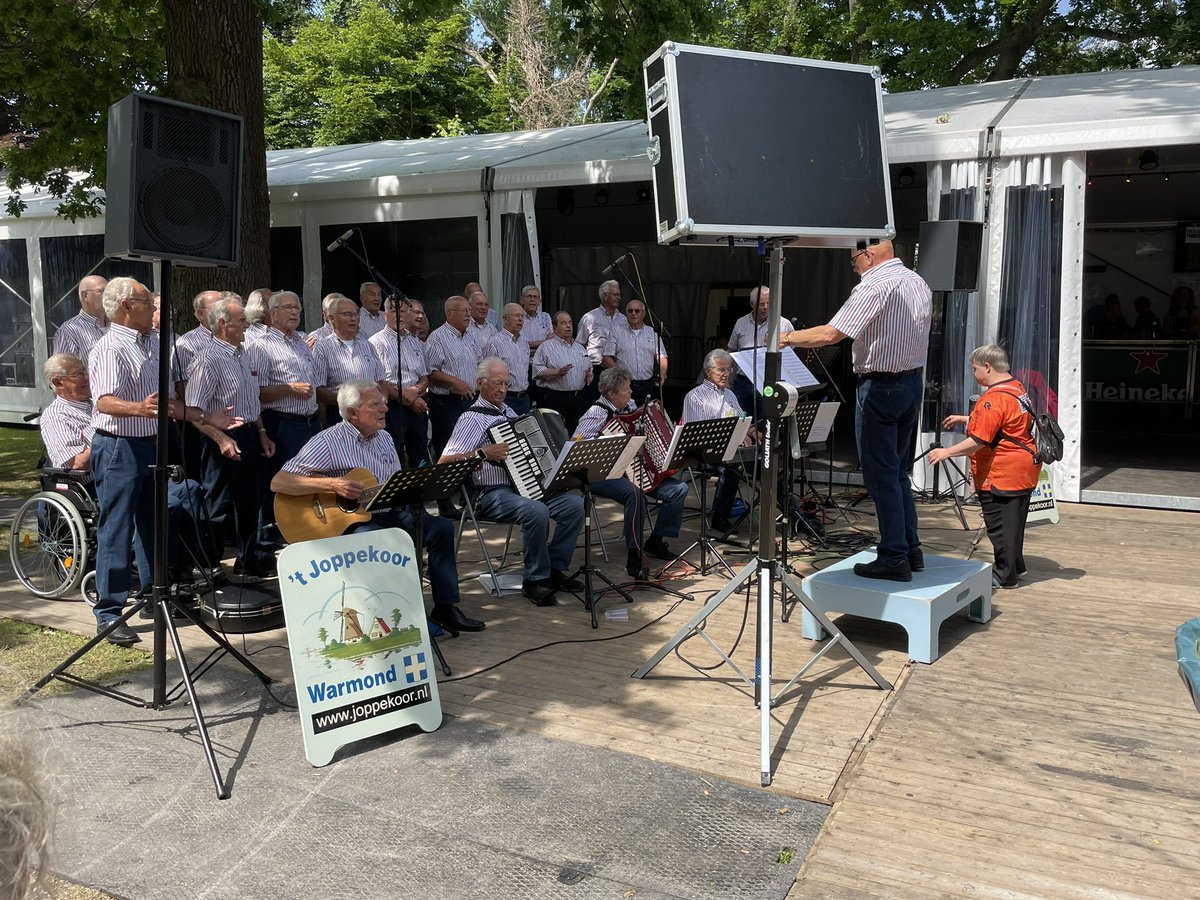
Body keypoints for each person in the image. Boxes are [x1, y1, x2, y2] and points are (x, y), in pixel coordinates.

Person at [89, 277, 240, 644]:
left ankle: (152, 597)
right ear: (126, 305)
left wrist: (203, 417)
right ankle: (109, 612)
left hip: (152, 444)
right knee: (117, 526)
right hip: (118, 446)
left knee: (153, 523)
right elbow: (104, 401)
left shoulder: (157, 344)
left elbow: (169, 404)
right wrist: (137, 408)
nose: (154, 309)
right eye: (147, 302)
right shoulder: (109, 348)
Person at [272, 380, 485, 635]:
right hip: (349, 526)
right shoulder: (328, 441)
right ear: (352, 413)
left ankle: (445, 608)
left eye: (384, 403)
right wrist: (332, 485)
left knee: (440, 529)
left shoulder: (384, 437)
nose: (385, 409)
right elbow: (280, 481)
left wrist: (419, 484)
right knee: (381, 541)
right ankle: (403, 618)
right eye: (375, 405)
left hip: (384, 514)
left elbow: (390, 486)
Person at [783, 239, 932, 581]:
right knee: (896, 473)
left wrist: (787, 339)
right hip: (911, 384)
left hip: (881, 386)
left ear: (867, 255)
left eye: (853, 262)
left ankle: (894, 556)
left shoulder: (875, 285)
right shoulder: (917, 281)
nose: (855, 268)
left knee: (881, 476)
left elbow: (832, 334)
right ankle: (910, 549)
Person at [42, 352, 209, 603]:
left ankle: (181, 568)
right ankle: (152, 582)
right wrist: (101, 437)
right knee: (166, 504)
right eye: (78, 374)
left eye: (85, 371)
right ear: (58, 382)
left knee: (190, 489)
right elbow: (74, 462)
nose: (87, 377)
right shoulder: (56, 415)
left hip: (132, 468)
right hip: (94, 484)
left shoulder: (93, 404)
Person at [440, 358, 584, 607]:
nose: (503, 389)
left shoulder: (509, 412)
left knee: (575, 506)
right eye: (498, 383)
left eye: (507, 384)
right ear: (480, 383)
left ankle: (555, 569)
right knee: (535, 511)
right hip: (491, 493)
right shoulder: (471, 419)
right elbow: (444, 462)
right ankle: (534, 579)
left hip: (526, 486)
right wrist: (482, 454)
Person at [928, 345, 1041, 589]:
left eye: (975, 368)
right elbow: (1006, 422)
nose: (973, 373)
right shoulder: (1016, 388)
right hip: (1024, 466)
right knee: (1015, 521)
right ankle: (1016, 566)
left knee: (999, 525)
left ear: (988, 367)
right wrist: (967, 418)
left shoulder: (993, 398)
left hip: (1004, 471)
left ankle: (1004, 575)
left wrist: (946, 451)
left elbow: (979, 441)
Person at [186, 296, 277, 579]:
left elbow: (252, 400)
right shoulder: (207, 360)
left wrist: (261, 432)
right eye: (241, 321)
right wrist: (221, 439)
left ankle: (247, 562)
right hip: (221, 439)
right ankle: (210, 568)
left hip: (249, 434)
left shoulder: (243, 353)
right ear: (223, 323)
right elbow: (193, 412)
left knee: (250, 503)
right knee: (219, 505)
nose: (247, 326)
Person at [576, 366, 689, 577]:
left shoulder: (629, 406)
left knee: (679, 489)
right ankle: (633, 554)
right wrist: (606, 445)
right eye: (626, 389)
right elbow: (577, 446)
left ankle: (655, 541)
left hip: (638, 470)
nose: (630, 393)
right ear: (611, 394)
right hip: (603, 474)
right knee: (635, 495)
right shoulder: (595, 414)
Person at [682, 349, 749, 535]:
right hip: (705, 452)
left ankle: (790, 511)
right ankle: (719, 516)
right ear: (708, 371)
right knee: (731, 469)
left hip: (732, 450)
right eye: (721, 370)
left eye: (729, 370)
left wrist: (750, 431)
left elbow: (741, 418)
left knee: (770, 460)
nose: (726, 374)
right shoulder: (696, 396)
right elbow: (694, 435)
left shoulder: (729, 394)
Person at [370, 296, 430, 466]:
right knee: (394, 454)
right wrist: (407, 399)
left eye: (403, 311)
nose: (399, 315)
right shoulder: (376, 343)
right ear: (385, 314)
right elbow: (381, 381)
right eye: (393, 311)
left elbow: (425, 377)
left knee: (420, 454)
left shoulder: (414, 342)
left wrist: (415, 392)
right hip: (392, 408)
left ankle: (420, 491)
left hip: (417, 404)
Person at [311, 295, 388, 422]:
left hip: (372, 411)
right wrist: (350, 402)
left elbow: (381, 381)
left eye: (356, 314)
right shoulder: (322, 347)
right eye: (347, 314)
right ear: (331, 318)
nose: (353, 318)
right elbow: (319, 389)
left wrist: (382, 400)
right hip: (340, 413)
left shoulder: (368, 345)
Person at [726, 285, 794, 417]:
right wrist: (729, 379)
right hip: (743, 381)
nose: (766, 307)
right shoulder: (740, 323)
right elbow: (731, 351)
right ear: (752, 304)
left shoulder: (783, 324)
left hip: (769, 381)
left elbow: (792, 355)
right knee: (742, 420)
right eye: (761, 304)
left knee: (767, 421)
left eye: (769, 303)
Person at [533, 311, 593, 431]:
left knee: (578, 435)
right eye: (563, 323)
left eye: (570, 322)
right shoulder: (546, 347)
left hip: (579, 398)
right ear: (555, 328)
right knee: (557, 436)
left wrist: (589, 374)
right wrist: (557, 372)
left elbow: (588, 367)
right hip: (556, 399)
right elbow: (536, 372)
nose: (568, 326)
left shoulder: (580, 348)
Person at [602, 298, 667, 406]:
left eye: (637, 311)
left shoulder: (652, 333)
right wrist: (620, 374)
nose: (633, 313)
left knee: (646, 417)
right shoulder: (617, 331)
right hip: (625, 385)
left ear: (644, 313)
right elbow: (607, 357)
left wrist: (663, 373)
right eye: (630, 311)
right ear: (626, 313)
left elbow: (662, 356)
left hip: (647, 384)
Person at [577, 280, 626, 401]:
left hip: (616, 370)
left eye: (619, 295)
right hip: (596, 370)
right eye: (615, 294)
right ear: (605, 296)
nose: (619, 298)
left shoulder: (624, 320)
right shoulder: (589, 318)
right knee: (594, 405)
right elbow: (579, 346)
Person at [481, 303, 532, 414]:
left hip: (524, 398)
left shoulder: (524, 342)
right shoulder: (494, 343)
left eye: (522, 316)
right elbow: (486, 374)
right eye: (516, 316)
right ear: (505, 318)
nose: (520, 320)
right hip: (505, 398)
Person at [53, 274, 107, 361]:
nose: (109, 296)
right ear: (85, 295)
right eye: (102, 291)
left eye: (110, 291)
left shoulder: (117, 325)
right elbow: (64, 371)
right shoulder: (69, 330)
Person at [519, 285, 552, 352]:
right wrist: (544, 342)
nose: (532, 299)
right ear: (522, 300)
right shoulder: (518, 317)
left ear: (540, 301)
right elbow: (519, 344)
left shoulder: (545, 317)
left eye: (535, 297)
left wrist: (530, 345)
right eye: (529, 296)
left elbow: (551, 342)